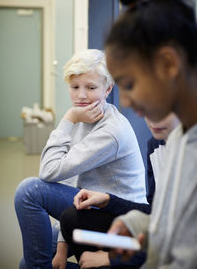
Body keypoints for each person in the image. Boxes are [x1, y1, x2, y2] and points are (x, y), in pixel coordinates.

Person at [14, 49, 148, 269]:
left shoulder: (111, 130)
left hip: (117, 219)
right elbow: (70, 182)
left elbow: (47, 171)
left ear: (108, 89)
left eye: (91, 87)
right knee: (25, 263)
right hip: (87, 204)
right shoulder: (84, 118)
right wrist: (62, 244)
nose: (81, 96)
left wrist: (68, 118)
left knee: (29, 191)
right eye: (75, 87)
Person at [99, 0, 197, 268]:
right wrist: (137, 224)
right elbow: (178, 227)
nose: (125, 102)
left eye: (129, 85)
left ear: (168, 64)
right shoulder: (180, 137)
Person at [60, 113, 180, 269]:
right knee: (71, 219)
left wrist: (111, 258)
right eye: (146, 108)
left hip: (177, 248)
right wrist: (107, 200)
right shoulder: (156, 144)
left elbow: (185, 235)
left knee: (30, 191)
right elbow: (154, 212)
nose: (153, 117)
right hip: (157, 236)